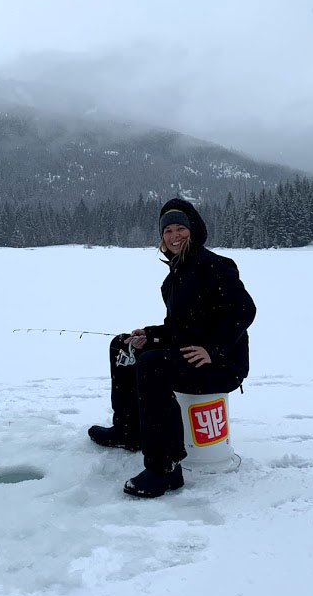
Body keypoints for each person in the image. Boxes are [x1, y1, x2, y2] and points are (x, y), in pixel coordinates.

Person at [88, 198, 256, 498]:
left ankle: (164, 468)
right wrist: (148, 336)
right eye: (168, 231)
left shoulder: (215, 266)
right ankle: (129, 431)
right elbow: (179, 330)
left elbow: (245, 311)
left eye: (181, 229)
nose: (174, 236)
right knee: (122, 347)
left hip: (222, 365)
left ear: (193, 231)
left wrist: (213, 349)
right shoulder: (173, 280)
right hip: (193, 356)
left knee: (153, 365)